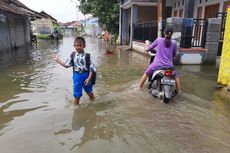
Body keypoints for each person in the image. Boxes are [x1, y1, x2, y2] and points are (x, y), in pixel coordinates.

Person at [54, 36, 95, 105]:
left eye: (80, 45)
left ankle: (93, 101)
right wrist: (57, 60)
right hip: (77, 76)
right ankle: (76, 109)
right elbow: (66, 65)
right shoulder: (73, 55)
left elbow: (92, 68)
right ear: (74, 46)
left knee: (89, 92)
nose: (78, 47)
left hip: (86, 76)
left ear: (84, 46)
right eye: (77, 45)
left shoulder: (87, 56)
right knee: (77, 95)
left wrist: (89, 78)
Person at [139, 27, 181, 93]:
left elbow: (148, 49)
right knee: (176, 76)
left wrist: (147, 44)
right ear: (172, 34)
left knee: (146, 73)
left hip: (157, 65)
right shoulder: (174, 43)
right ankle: (179, 91)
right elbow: (174, 55)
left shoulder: (159, 40)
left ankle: (139, 88)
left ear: (164, 33)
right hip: (169, 66)